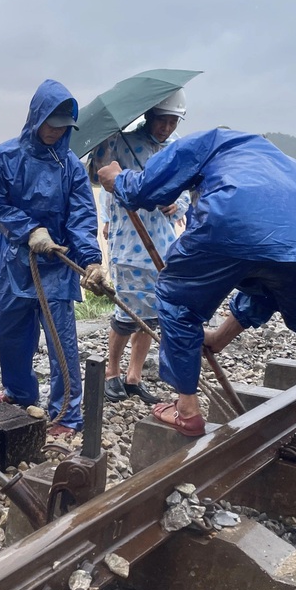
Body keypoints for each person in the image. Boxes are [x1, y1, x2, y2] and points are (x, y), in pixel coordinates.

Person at [97, 129, 296, 466]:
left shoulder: (210, 141)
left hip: (234, 214)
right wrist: (221, 337)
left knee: (177, 296)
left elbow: (145, 188)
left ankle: (187, 410)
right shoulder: (290, 168)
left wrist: (118, 180)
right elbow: (273, 284)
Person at [0, 80, 107, 438]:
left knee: (61, 342)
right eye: (51, 124)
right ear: (36, 119)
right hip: (14, 263)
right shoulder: (2, 157)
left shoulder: (70, 166)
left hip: (57, 266)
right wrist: (30, 230)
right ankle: (19, 393)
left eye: (64, 127)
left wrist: (92, 261)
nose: (55, 132)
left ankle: (66, 414)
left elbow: (82, 216)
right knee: (9, 334)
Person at [91, 90, 191, 404]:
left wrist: (179, 203)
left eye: (173, 121)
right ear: (148, 116)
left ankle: (134, 376)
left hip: (162, 242)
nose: (166, 127)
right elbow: (98, 173)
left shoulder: (178, 150)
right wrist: (106, 146)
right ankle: (112, 372)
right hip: (129, 239)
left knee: (151, 313)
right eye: (162, 120)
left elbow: (187, 188)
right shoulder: (120, 142)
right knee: (126, 313)